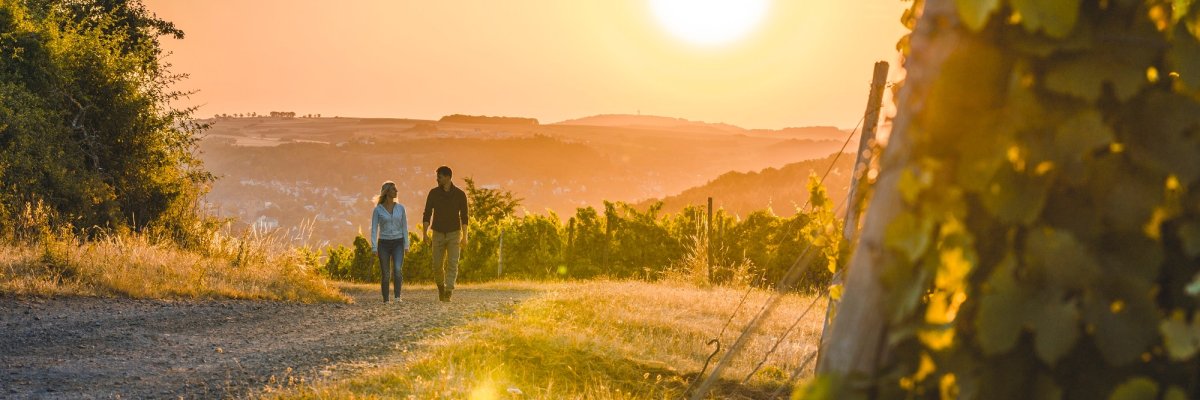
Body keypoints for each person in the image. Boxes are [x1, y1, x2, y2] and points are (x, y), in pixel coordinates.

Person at [422, 166, 469, 302]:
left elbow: (465, 217)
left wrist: (465, 236)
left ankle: (448, 291)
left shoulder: (460, 195)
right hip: (437, 233)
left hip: (455, 233)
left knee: (453, 263)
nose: (437, 179)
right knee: (437, 265)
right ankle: (441, 288)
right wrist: (424, 234)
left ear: (448, 177)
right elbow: (427, 213)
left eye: (439, 177)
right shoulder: (433, 193)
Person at [370, 181, 409, 303]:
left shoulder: (401, 208)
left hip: (398, 242)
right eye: (393, 189)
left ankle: (397, 297)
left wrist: (406, 244)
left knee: (397, 269)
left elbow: (404, 227)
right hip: (384, 244)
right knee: (386, 273)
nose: (396, 191)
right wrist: (374, 247)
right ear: (387, 192)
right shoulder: (378, 210)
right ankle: (386, 299)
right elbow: (374, 228)